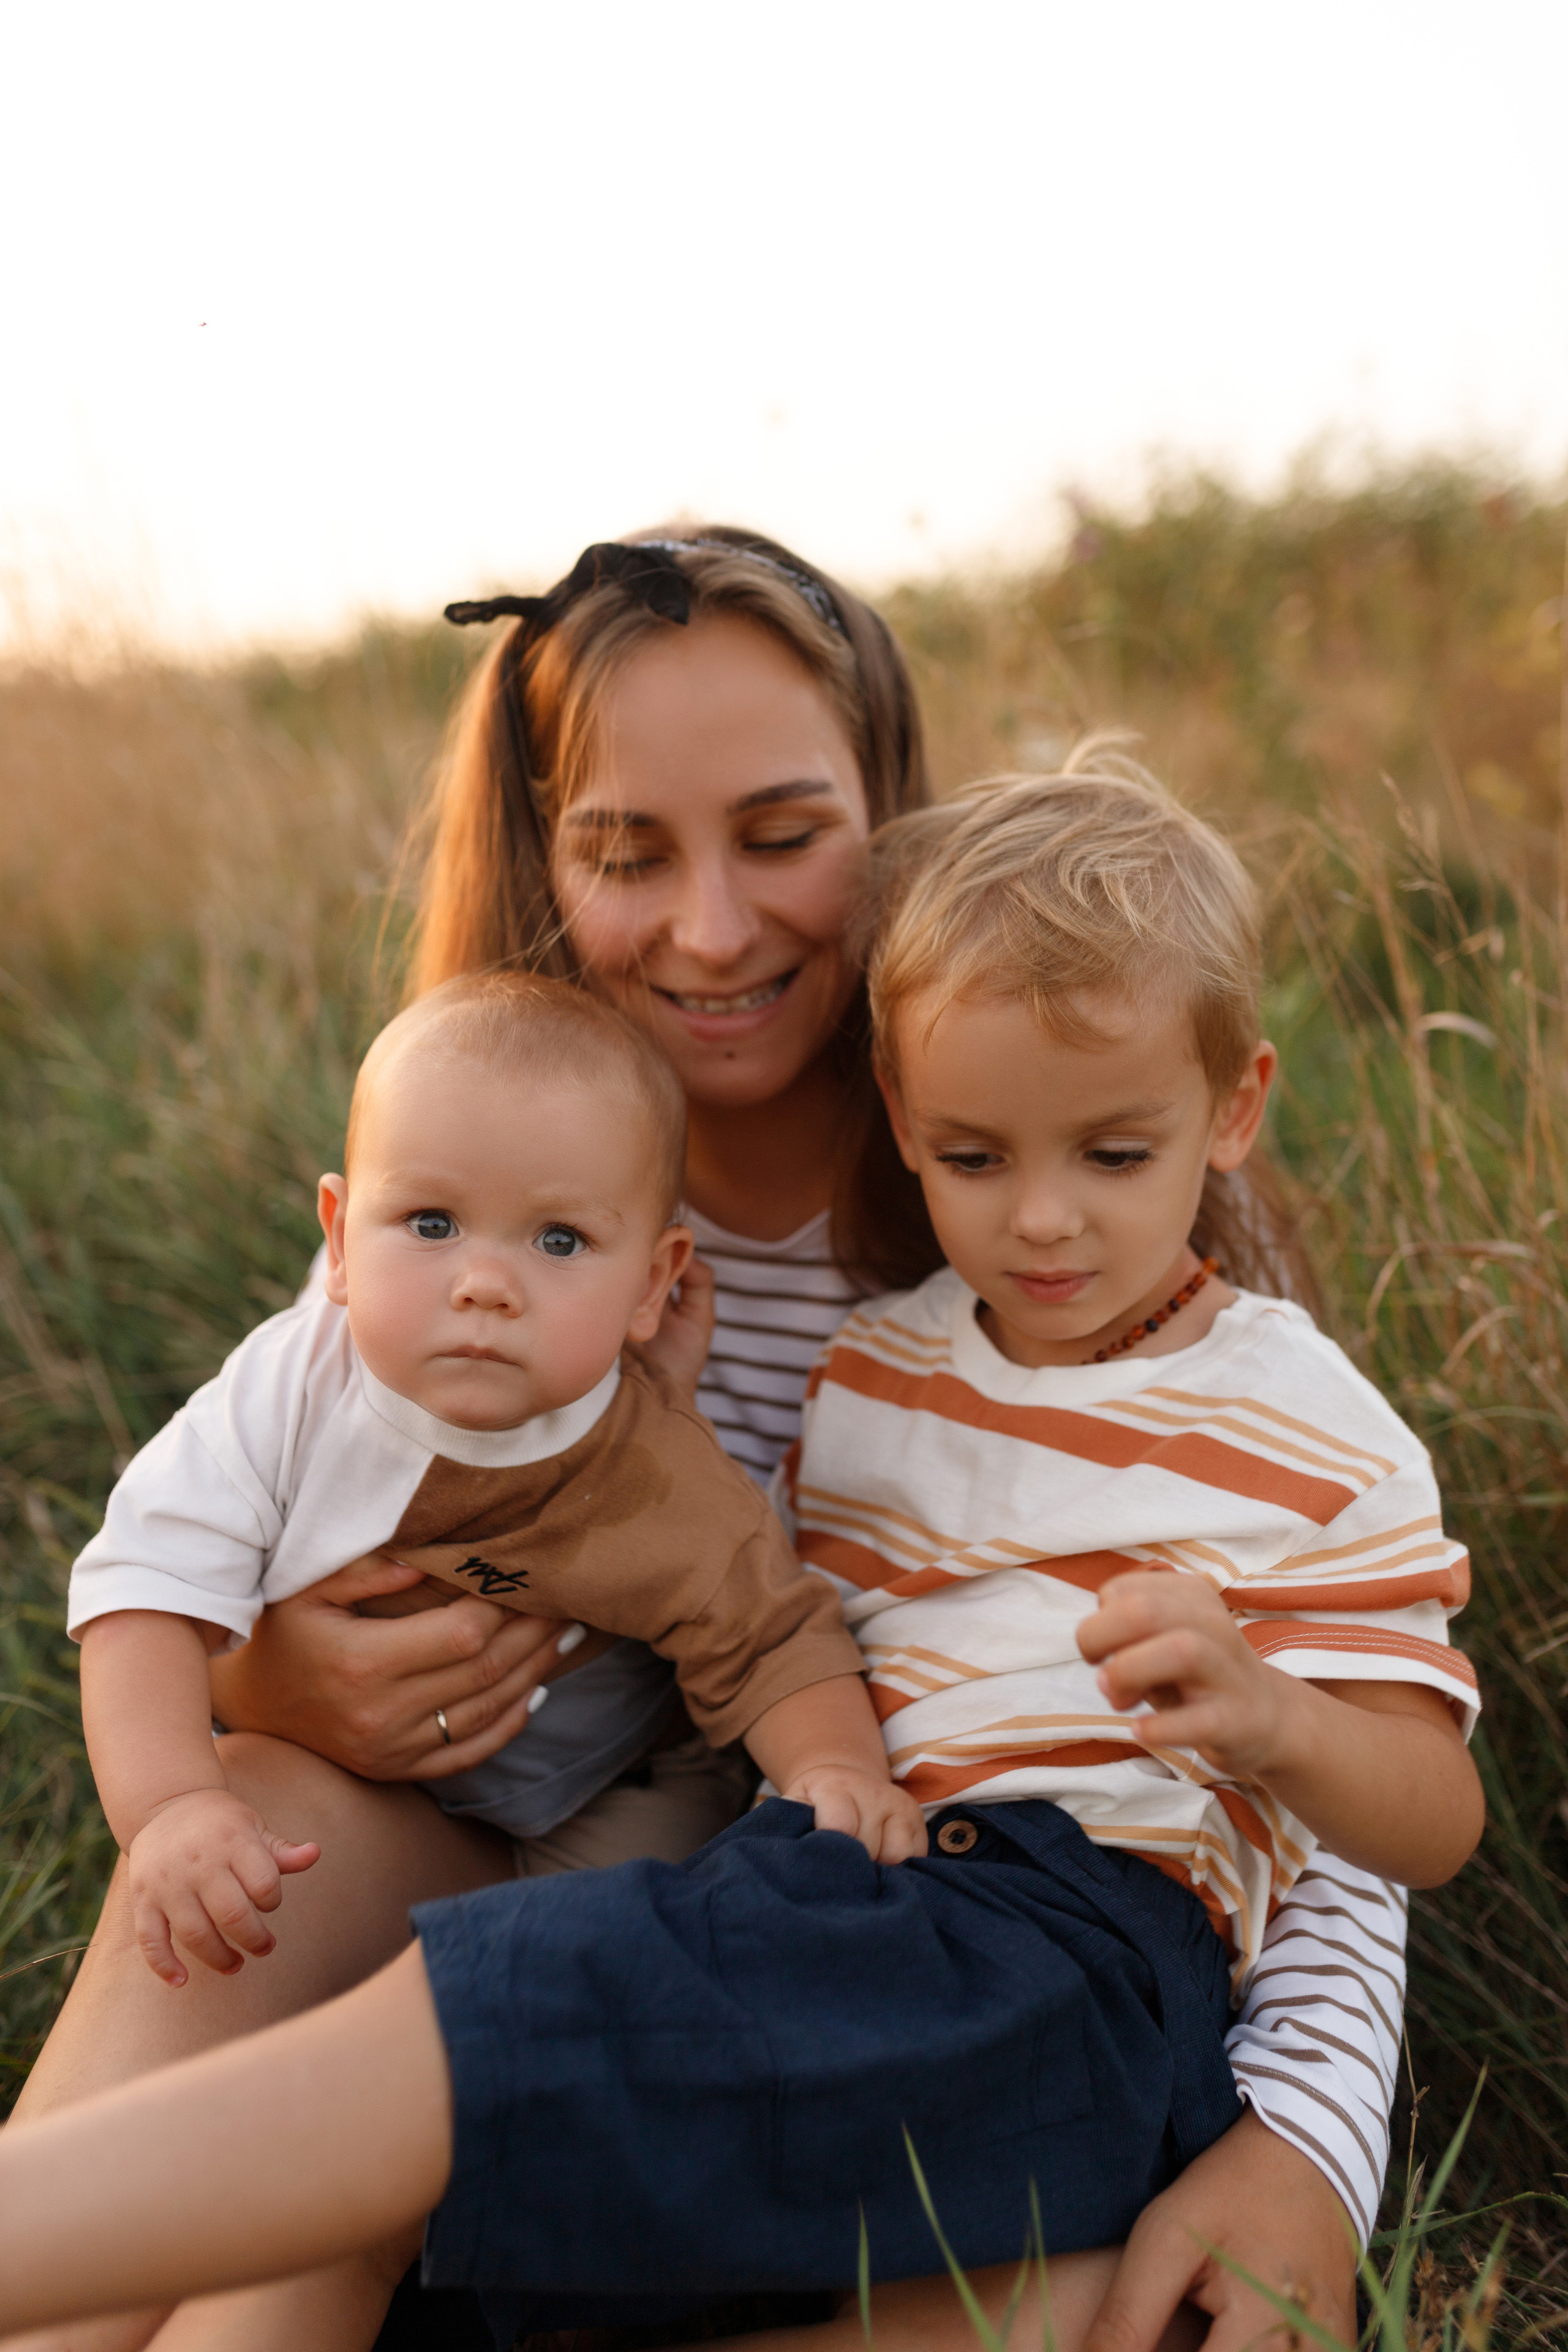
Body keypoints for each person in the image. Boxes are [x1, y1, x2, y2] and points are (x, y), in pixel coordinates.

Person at [1, 532, 1404, 2352]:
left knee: (1060, 2302)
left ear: (888, 815)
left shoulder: (1068, 1185)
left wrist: (1308, 2135)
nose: (715, 926)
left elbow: (1331, 1733)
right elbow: (259, 1526)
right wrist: (277, 1687)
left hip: (844, 1938)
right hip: (451, 1854)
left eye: (782, 831)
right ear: (546, 858)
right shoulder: (490, 1168)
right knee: (253, 1839)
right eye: (627, 852)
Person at [69, 971, 914, 1998]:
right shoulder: (285, 1392)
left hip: (604, 1792)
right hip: (346, 1779)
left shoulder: (656, 1469)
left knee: (632, 1958)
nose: (483, 1283)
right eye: (430, 1223)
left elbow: (772, 1636)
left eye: (559, 1241)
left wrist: (836, 1769)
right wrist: (168, 1805)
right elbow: (143, 1588)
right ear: (338, 1241)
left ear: (652, 1284)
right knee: (238, 1920)